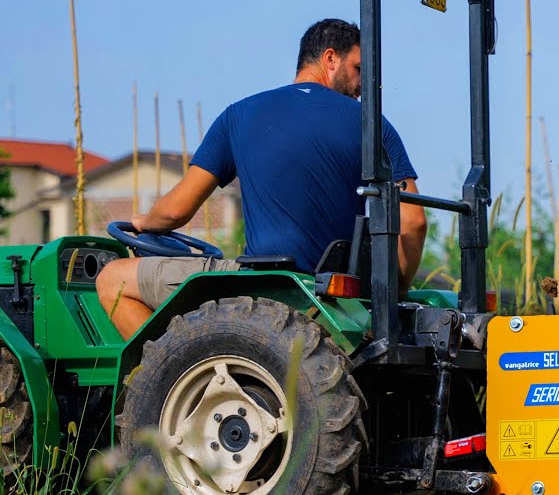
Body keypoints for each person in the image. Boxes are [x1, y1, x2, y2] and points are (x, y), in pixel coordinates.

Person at [96, 18, 427, 338]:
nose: (361, 87)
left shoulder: (239, 116)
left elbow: (175, 212)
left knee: (112, 279)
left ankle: (163, 380)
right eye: (358, 70)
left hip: (260, 284)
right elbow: (413, 222)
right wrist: (394, 292)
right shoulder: (372, 124)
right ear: (329, 58)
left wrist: (145, 221)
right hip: (334, 293)